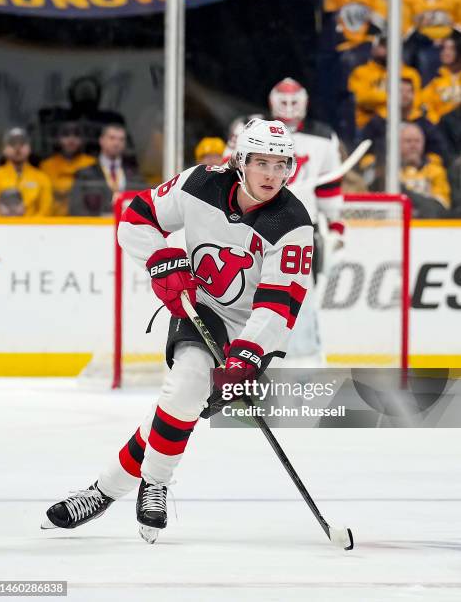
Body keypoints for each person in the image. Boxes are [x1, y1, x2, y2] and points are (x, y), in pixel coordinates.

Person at [42, 119, 314, 543]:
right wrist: (162, 262)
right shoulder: (199, 183)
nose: (271, 175)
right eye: (262, 162)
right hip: (199, 307)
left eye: (281, 165)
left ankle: (101, 492)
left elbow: (280, 304)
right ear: (240, 160)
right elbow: (136, 219)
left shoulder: (292, 221)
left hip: (251, 330)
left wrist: (247, 354)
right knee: (185, 388)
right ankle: (156, 484)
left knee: (176, 409)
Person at [269, 77, 344, 366]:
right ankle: (257, 359)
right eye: (283, 101)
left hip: (302, 227)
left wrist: (335, 223)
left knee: (302, 295)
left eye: (293, 101)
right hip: (259, 223)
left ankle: (304, 359)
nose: (288, 107)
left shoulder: (324, 138)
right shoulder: (253, 130)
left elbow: (329, 187)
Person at [348, 34, 422, 129]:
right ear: (374, 49)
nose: (388, 49)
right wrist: (393, 97)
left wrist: (379, 100)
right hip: (369, 124)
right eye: (384, 45)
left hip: (406, 122)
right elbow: (360, 98)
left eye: (392, 45)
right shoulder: (361, 72)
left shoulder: (410, 73)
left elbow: (416, 101)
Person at [69, 124, 144, 216]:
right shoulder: (85, 174)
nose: (116, 143)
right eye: (112, 138)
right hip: (95, 227)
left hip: (126, 226)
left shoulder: (134, 174)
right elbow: (76, 208)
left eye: (121, 139)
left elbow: (143, 205)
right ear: (101, 141)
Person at [0, 128, 53, 217]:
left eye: (22, 143)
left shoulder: (41, 178)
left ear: (30, 148)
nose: (18, 148)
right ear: (4, 149)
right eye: (12, 143)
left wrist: (29, 226)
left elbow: (46, 210)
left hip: (34, 229)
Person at [39, 122, 96, 216]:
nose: (71, 139)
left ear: (83, 140)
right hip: (53, 220)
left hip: (84, 220)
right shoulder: (46, 165)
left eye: (76, 135)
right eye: (66, 135)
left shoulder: (91, 163)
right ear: (58, 139)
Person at [399, 122, 451, 217]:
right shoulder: (390, 173)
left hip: (428, 224)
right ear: (398, 144)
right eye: (408, 141)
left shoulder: (436, 170)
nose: (413, 145)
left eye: (417, 141)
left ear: (423, 143)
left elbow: (442, 205)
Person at [421, 32, 461, 123]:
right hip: (442, 129)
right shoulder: (433, 76)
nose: (446, 52)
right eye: (443, 48)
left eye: (452, 49)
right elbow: (425, 104)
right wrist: (437, 122)